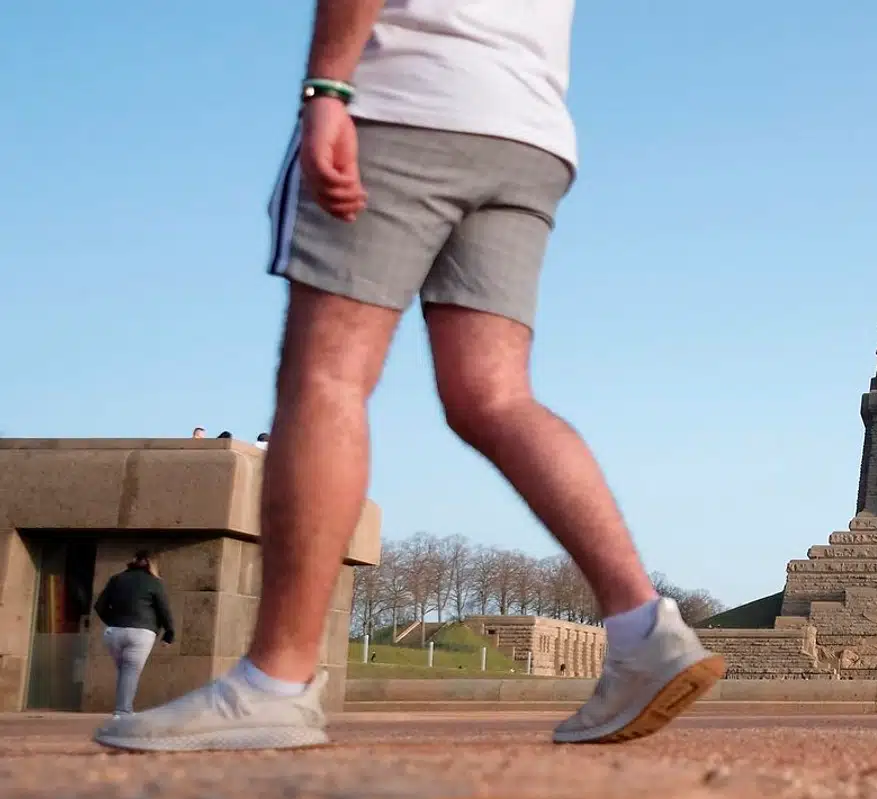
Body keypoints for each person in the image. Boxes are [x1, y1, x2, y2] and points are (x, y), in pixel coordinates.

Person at [94, 0, 724, 754]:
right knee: (495, 395)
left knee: (327, 379)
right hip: (528, 130)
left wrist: (327, 89)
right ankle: (644, 627)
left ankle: (276, 683)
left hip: (404, 105)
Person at [92, 552, 175, 717]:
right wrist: (169, 634)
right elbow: (164, 610)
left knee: (125, 671)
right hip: (141, 633)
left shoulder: (116, 579)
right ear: (151, 564)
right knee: (129, 671)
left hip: (114, 632)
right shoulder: (154, 582)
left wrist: (114, 621)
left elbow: (99, 606)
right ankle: (122, 712)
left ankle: (124, 708)